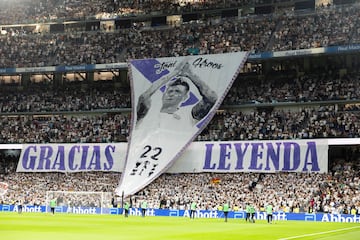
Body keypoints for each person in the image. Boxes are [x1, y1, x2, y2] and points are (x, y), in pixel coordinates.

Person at [136, 61, 218, 129]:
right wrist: (172, 74)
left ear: (185, 97)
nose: (171, 94)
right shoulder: (149, 111)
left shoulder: (188, 114)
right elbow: (144, 97)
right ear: (164, 94)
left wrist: (190, 75)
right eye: (170, 91)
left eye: (177, 91)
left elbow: (211, 98)